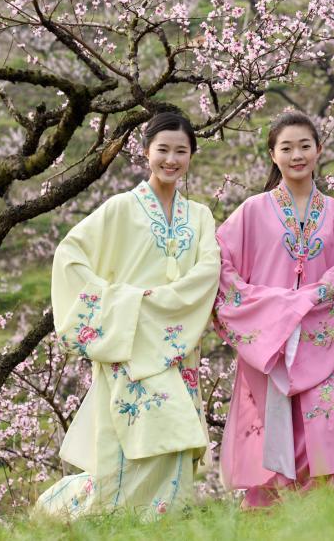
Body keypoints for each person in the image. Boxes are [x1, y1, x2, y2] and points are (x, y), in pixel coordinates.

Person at [36, 111, 220, 518]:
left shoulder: (201, 216)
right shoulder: (120, 208)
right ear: (145, 152)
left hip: (175, 343)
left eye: (181, 151)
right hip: (128, 339)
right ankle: (94, 516)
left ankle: (165, 522)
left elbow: (208, 272)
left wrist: (160, 305)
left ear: (192, 155)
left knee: (174, 438)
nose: (171, 160)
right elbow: (70, 255)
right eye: (163, 150)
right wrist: (124, 303)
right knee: (125, 443)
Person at [213, 111, 334, 508]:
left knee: (330, 417)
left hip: (319, 339)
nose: (297, 155)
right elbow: (220, 266)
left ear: (319, 150)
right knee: (271, 430)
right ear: (273, 154)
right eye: (287, 147)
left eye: (305, 146)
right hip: (266, 344)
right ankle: (270, 519)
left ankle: (328, 514)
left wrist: (306, 305)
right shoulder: (250, 211)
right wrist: (271, 310)